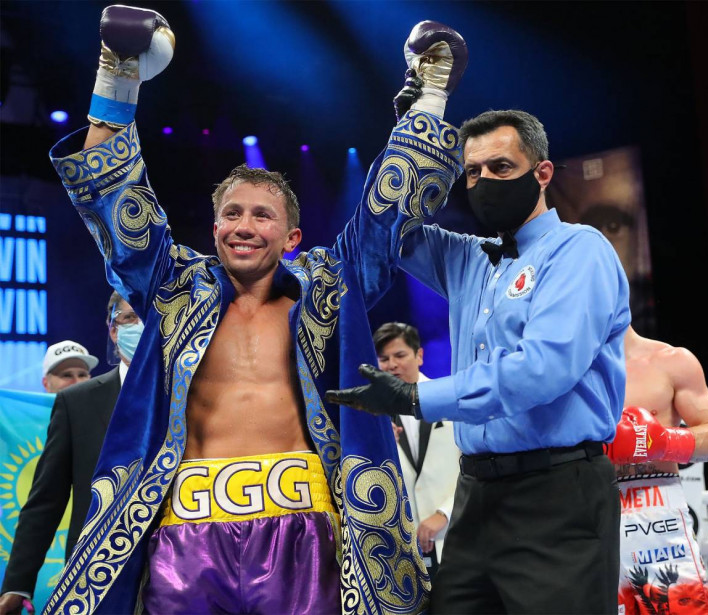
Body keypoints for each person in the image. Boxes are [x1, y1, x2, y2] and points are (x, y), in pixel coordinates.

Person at [42, 7, 466, 615]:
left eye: (262, 215)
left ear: (292, 237)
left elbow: (385, 218)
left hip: (302, 528)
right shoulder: (174, 288)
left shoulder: (326, 288)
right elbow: (115, 206)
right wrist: (116, 75)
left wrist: (430, 96)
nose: (244, 225)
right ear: (214, 229)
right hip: (187, 532)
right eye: (232, 214)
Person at [327, 109, 632, 613]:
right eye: (472, 172)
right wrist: (415, 130)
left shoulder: (580, 250)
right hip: (475, 496)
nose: (484, 181)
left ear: (542, 173)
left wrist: (416, 396)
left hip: (556, 494)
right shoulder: (468, 256)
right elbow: (382, 229)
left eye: (501, 167)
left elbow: (543, 369)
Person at [0, 292, 140, 615]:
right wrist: (17, 583)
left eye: (147, 315)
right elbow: (46, 500)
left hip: (176, 571)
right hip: (94, 578)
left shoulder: (189, 392)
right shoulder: (77, 402)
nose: (140, 325)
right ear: (114, 330)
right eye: (130, 318)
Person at [606, 326, 708, 615]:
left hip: (660, 529)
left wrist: (660, 442)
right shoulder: (560, 372)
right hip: (588, 520)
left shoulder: (671, 361)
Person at [373, 322, 459, 579]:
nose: (392, 365)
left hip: (455, 536)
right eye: (384, 359)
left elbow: (472, 465)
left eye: (400, 355)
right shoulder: (371, 417)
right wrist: (379, 447)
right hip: (400, 549)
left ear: (419, 355)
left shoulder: (450, 400)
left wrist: (445, 513)